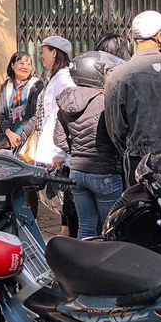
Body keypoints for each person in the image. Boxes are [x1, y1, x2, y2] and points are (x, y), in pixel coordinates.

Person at [104, 9, 161, 260]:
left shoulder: (118, 76)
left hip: (139, 164)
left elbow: (116, 130)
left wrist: (135, 151)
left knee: (142, 223)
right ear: (160, 36)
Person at [54, 51, 125, 238]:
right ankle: (108, 265)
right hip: (105, 172)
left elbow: (59, 139)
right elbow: (119, 135)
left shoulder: (65, 101)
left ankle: (84, 265)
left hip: (77, 172)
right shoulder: (104, 101)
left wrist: (76, 151)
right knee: (109, 227)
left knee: (85, 226)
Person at [26, 35, 77, 236]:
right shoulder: (55, 77)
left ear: (54, 52)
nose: (41, 57)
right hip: (54, 144)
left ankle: (69, 233)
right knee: (62, 191)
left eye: (43, 52)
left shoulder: (64, 79)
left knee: (66, 190)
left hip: (61, 146)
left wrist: (61, 151)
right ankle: (65, 230)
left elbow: (65, 115)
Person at [0, 51, 42, 150]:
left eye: (29, 64)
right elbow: (0, 114)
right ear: (12, 65)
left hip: (29, 139)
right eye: (21, 63)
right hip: (9, 139)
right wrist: (9, 133)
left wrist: (23, 135)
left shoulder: (36, 85)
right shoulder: (6, 86)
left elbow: (37, 113)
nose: (25, 67)